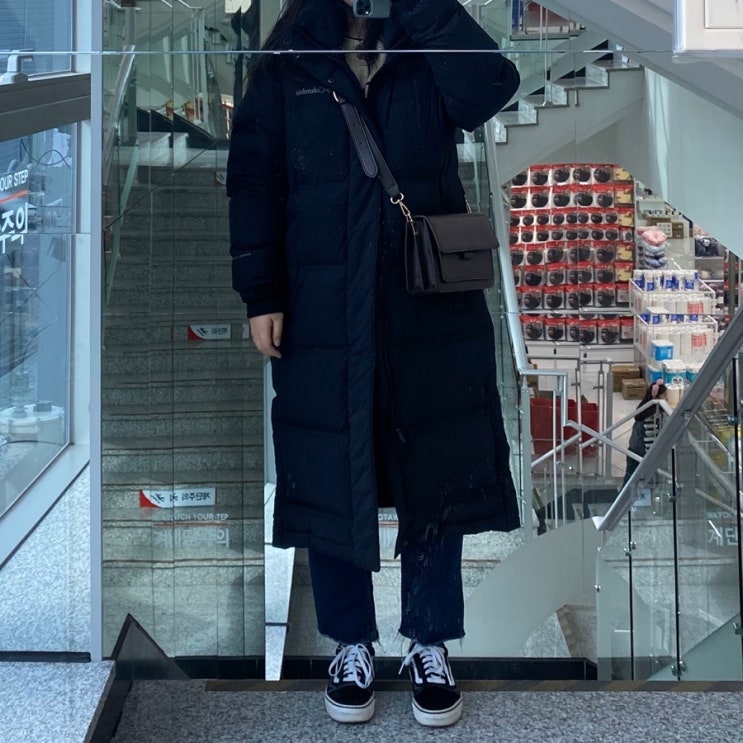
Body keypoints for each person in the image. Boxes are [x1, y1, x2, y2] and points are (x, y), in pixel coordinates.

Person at [226, 0, 520, 727]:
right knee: (329, 472)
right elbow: (254, 181)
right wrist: (261, 293)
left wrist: (421, 4)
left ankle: (429, 642)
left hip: (428, 301)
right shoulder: (291, 59)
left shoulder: (424, 43)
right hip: (321, 305)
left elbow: (489, 88)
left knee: (435, 465)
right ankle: (350, 642)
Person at [622, 381, 668, 488]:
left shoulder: (644, 410)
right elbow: (649, 438)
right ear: (656, 397)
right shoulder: (654, 415)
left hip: (633, 450)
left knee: (629, 478)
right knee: (641, 481)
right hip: (642, 454)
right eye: (664, 395)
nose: (666, 398)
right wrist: (652, 458)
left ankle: (623, 496)